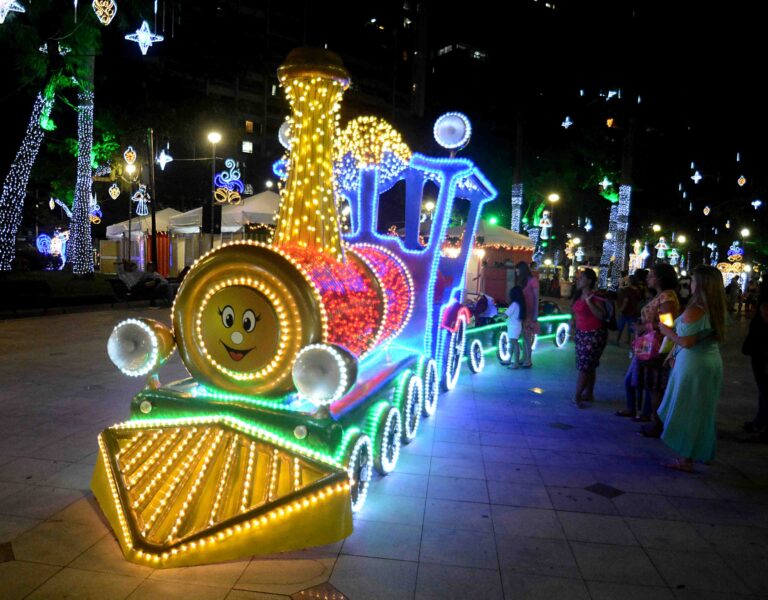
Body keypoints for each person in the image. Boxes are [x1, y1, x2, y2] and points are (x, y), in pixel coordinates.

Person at [657, 265, 726, 472]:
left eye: (694, 280)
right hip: (711, 362)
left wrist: (667, 331)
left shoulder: (695, 310)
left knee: (687, 408)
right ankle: (704, 452)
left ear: (701, 284)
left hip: (693, 364)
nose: (691, 283)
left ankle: (686, 458)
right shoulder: (716, 308)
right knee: (704, 409)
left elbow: (686, 342)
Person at [616, 264, 680, 433]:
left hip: (655, 348)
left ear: (659, 279)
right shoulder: (661, 296)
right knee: (649, 384)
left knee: (654, 386)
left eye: (651, 275)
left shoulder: (666, 298)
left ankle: (657, 423)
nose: (647, 279)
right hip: (646, 346)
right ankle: (650, 418)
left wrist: (644, 328)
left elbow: (667, 324)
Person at [571, 268, 609, 408]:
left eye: (581, 278)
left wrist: (589, 302)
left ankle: (577, 396)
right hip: (581, 333)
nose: (578, 280)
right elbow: (574, 311)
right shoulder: (577, 295)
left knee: (585, 366)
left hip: (594, 334)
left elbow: (601, 316)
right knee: (589, 365)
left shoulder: (595, 296)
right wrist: (573, 322)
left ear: (589, 281)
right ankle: (589, 393)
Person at [742, 280, 768, 437]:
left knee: (764, 386)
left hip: (762, 349)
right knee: (763, 387)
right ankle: (760, 421)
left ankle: (762, 424)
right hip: (761, 349)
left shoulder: (765, 302)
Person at [516, 261, 539, 368]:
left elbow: (536, 299)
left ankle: (528, 359)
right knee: (522, 336)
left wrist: (535, 315)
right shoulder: (522, 282)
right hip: (522, 312)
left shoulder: (533, 281)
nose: (516, 272)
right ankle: (524, 356)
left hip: (529, 313)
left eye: (518, 270)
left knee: (527, 337)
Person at [616, 274, 641, 345]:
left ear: (630, 281)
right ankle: (630, 342)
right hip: (634, 312)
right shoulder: (638, 290)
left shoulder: (627, 290)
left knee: (620, 327)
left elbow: (625, 301)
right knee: (631, 329)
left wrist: (621, 309)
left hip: (626, 311)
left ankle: (617, 340)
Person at [506, 285, 525, 368]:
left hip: (513, 327)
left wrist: (497, 315)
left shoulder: (514, 304)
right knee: (512, 343)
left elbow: (506, 314)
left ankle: (516, 363)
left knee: (514, 343)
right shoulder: (520, 304)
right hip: (516, 326)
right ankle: (509, 359)